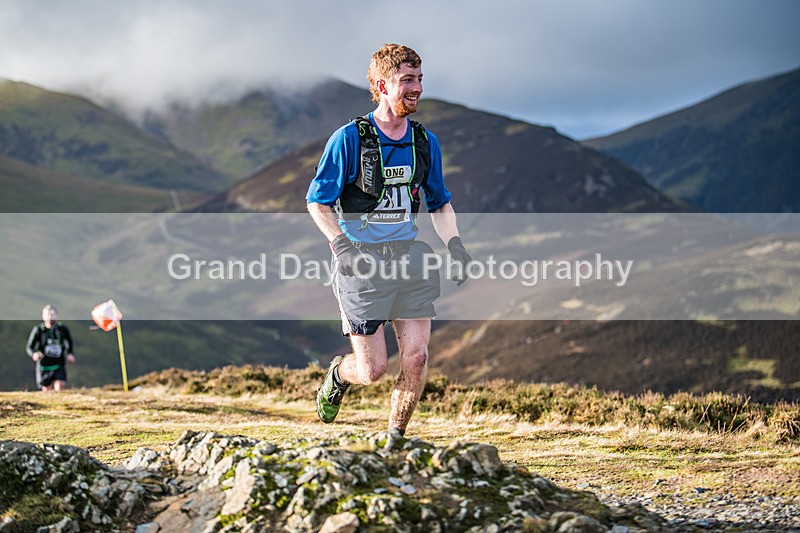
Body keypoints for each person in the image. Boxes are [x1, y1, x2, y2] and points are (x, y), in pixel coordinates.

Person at [306, 43, 472, 436]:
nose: (416, 89)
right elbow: (317, 201)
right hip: (360, 262)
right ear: (382, 85)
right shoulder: (349, 139)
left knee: (416, 359)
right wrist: (339, 243)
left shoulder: (424, 142)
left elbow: (440, 203)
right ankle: (339, 374)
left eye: (419, 80)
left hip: (409, 258)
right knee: (373, 370)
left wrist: (456, 246)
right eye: (406, 81)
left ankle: (394, 442)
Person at [26, 304, 76, 391]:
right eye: (47, 315)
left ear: (57, 316)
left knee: (60, 386)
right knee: (47, 390)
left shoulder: (62, 329)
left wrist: (70, 353)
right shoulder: (38, 330)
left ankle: (62, 403)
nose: (50, 317)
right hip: (44, 365)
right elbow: (29, 346)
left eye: (52, 315)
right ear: (43, 316)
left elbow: (69, 342)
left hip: (59, 363)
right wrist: (34, 354)